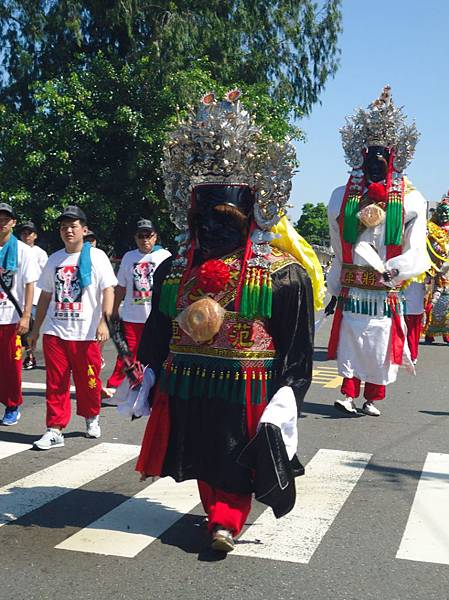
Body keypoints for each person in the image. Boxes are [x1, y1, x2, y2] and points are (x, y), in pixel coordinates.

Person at [134, 91, 323, 553]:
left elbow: (296, 344)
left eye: (227, 221)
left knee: (236, 449)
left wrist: (289, 391)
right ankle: (213, 510)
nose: (215, 231)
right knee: (199, 446)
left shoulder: (281, 273)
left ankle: (226, 519)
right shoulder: (173, 269)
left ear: (251, 219)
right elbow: (158, 326)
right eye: (206, 220)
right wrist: (149, 369)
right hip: (189, 375)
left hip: (248, 381)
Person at [326, 86, 430, 417]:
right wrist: (335, 282)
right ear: (360, 157)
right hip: (355, 285)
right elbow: (335, 244)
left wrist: (397, 270)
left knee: (380, 343)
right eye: (370, 157)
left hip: (384, 286)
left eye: (383, 157)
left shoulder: (412, 201)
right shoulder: (341, 196)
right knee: (351, 339)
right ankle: (347, 391)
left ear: (395, 158)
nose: (376, 164)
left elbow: (417, 247)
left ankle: (372, 397)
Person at [29, 205, 117, 450]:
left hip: (86, 332)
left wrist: (104, 322)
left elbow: (108, 290)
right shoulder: (55, 259)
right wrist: (36, 330)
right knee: (55, 382)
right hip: (55, 330)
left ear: (84, 229)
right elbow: (45, 295)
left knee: (88, 380)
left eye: (73, 226)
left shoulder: (97, 257)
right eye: (64, 227)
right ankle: (54, 429)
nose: (68, 231)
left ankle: (91, 416)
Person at [105, 219, 171, 396]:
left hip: (156, 315)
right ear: (135, 238)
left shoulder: (164, 256)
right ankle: (116, 384)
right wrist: (113, 310)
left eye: (148, 235)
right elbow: (121, 287)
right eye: (140, 236)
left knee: (156, 352)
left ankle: (154, 386)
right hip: (132, 316)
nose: (144, 240)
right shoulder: (129, 257)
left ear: (155, 237)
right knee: (127, 353)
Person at [0, 203, 39, 425]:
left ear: (13, 222)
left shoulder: (23, 251)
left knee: (12, 366)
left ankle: (13, 405)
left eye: (6, 219)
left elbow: (29, 285)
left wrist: (26, 316)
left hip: (12, 318)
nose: (2, 223)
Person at [19, 220, 48, 369]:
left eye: (29, 233)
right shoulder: (15, 250)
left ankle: (30, 356)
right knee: (19, 331)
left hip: (35, 297)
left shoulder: (40, 253)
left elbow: (46, 275)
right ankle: (24, 356)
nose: (26, 236)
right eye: (23, 233)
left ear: (35, 236)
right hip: (18, 298)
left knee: (30, 330)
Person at [423, 193, 449, 344]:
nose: (444, 215)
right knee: (430, 302)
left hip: (447, 273)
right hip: (431, 271)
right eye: (442, 211)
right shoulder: (430, 228)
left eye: (447, 212)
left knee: (446, 303)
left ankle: (447, 334)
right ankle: (429, 332)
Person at [403, 282, 426, 365]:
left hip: (409, 308)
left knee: (410, 334)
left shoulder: (406, 274)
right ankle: (413, 355)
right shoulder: (423, 274)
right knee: (414, 334)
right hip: (417, 307)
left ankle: (412, 355)